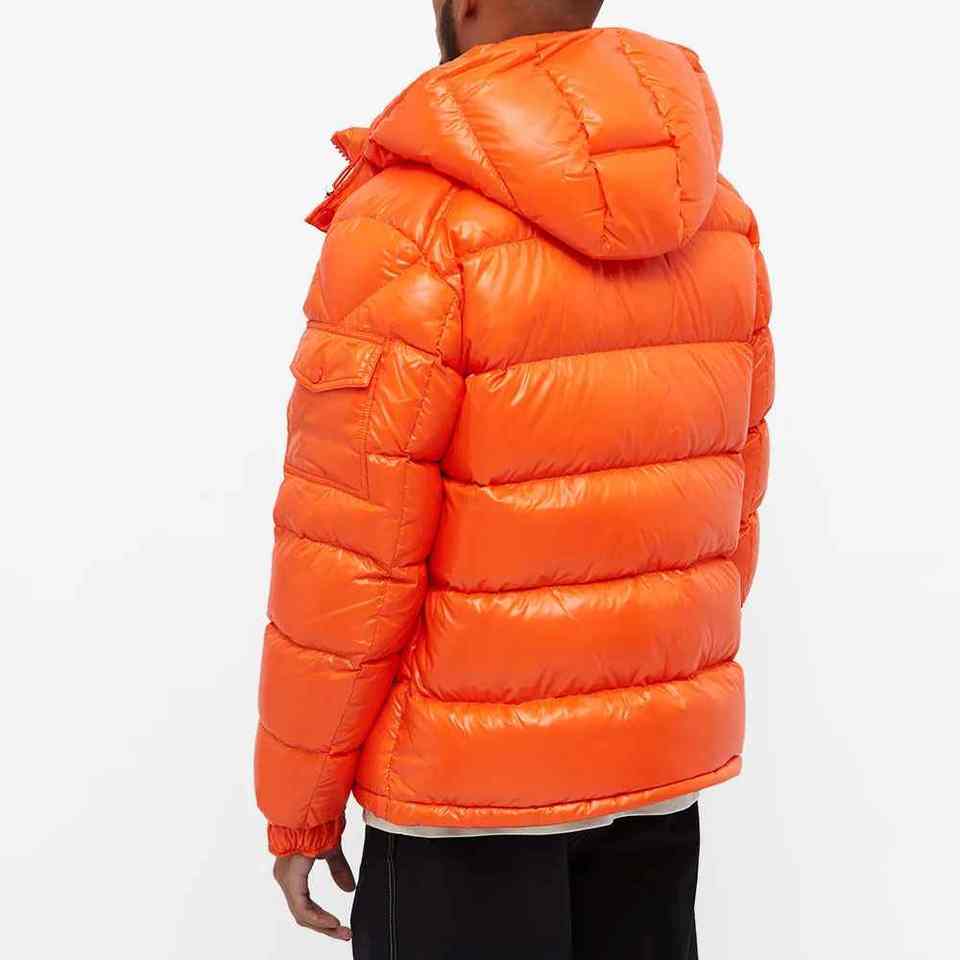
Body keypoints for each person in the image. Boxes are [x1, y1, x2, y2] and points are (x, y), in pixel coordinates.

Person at [256, 1, 773, 956]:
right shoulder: (715, 215)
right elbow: (734, 505)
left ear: (461, 6)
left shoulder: (411, 226)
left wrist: (300, 808)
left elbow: (349, 555)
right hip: (656, 777)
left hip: (460, 804)